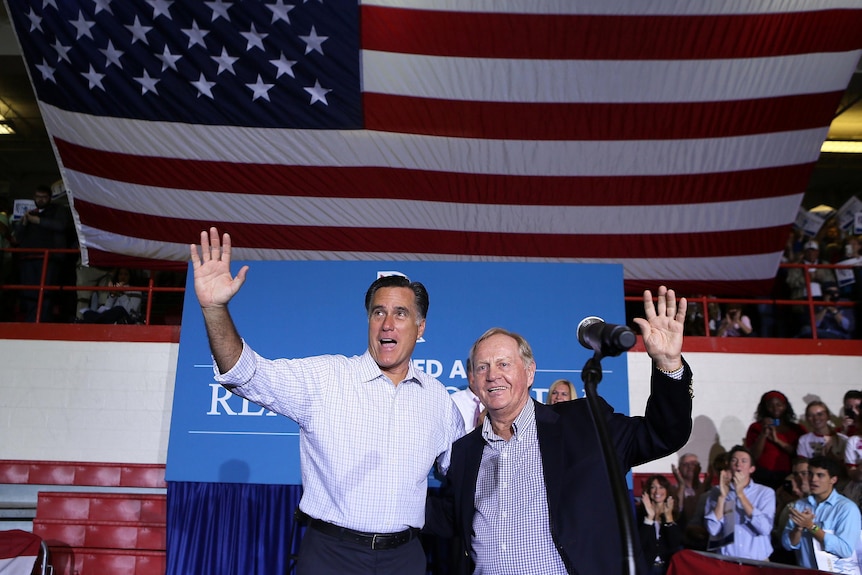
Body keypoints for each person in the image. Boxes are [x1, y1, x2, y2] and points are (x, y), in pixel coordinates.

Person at [190, 227, 464, 575]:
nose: (387, 324)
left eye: (401, 313)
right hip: (330, 557)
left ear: (420, 328)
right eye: (378, 313)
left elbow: (466, 471)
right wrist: (215, 309)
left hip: (404, 558)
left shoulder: (438, 400)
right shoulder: (325, 378)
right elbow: (246, 373)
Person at [426, 285, 693, 575]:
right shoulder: (465, 452)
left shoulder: (583, 423)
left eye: (504, 363)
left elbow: (662, 434)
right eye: (482, 367)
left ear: (529, 373)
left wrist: (668, 364)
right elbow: (453, 518)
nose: (492, 375)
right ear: (473, 381)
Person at [782, 456, 862, 574]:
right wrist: (798, 528)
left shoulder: (847, 509)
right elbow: (788, 545)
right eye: (810, 474)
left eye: (820, 475)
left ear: (833, 479)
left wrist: (811, 527)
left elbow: (845, 550)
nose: (813, 479)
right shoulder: (799, 505)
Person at [704, 445, 776, 561]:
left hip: (757, 561)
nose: (738, 464)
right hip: (727, 561)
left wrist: (740, 495)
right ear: (729, 466)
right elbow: (713, 529)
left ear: (751, 468)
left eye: (744, 461)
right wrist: (722, 497)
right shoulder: (716, 491)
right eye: (734, 461)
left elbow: (764, 528)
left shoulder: (765, 492)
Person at [12, 185, 72, 322]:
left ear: (50, 198)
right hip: (28, 258)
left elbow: (61, 226)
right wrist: (23, 222)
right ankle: (31, 321)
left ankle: (43, 322)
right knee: (29, 292)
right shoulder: (30, 213)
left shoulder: (58, 210)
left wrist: (38, 220)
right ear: (34, 197)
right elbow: (17, 237)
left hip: (49, 258)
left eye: (44, 197)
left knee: (46, 292)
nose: (41, 200)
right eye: (38, 197)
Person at [745, 391, 805, 488]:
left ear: (785, 406)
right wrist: (763, 434)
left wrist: (777, 441)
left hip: (789, 475)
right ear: (765, 407)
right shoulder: (755, 428)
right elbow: (753, 456)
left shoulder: (797, 429)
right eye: (770, 405)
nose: (775, 408)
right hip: (763, 475)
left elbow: (800, 454)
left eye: (779, 405)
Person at [638, 475, 682, 574]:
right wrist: (649, 518)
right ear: (648, 491)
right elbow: (639, 544)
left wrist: (669, 518)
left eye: (661, 487)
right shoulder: (640, 515)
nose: (657, 492)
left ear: (667, 490)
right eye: (653, 487)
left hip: (668, 568)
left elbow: (676, 544)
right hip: (647, 569)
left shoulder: (676, 514)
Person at [450, 358, 482, 434]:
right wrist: (478, 429)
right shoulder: (453, 401)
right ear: (467, 373)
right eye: (472, 371)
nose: (475, 376)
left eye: (479, 371)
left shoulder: (495, 402)